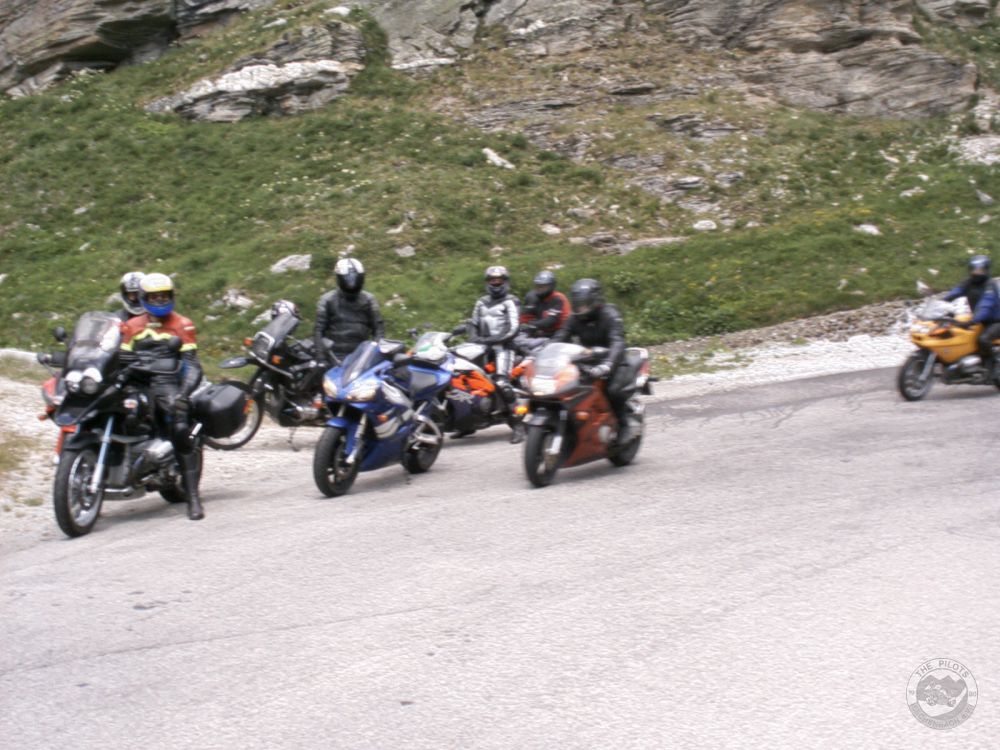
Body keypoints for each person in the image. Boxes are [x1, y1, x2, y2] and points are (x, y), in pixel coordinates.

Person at [120, 273, 205, 520]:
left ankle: (193, 498)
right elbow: (120, 358)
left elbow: (193, 365)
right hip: (136, 382)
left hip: (166, 382)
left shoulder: (182, 324)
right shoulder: (132, 326)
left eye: (164, 296)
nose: (159, 301)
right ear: (144, 298)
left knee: (179, 428)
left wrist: (183, 394)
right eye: (154, 297)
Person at [552, 278, 634, 442]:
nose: (580, 308)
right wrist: (543, 352)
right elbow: (559, 337)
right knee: (565, 387)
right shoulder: (574, 318)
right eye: (578, 304)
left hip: (614, 361)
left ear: (595, 301)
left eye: (584, 304)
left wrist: (608, 364)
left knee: (612, 390)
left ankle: (625, 425)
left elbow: (617, 342)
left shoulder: (610, 315)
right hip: (588, 360)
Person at [470, 265, 522, 442]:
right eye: (492, 281)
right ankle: (467, 424)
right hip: (483, 347)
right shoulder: (481, 302)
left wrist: (495, 340)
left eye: (499, 281)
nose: (495, 283)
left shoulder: (511, 301)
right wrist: (474, 338)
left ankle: (517, 423)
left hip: (504, 347)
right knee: (469, 379)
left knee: (501, 382)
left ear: (505, 282)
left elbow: (514, 327)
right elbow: (473, 324)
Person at [314, 258, 385, 365]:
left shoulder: (369, 300)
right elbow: (319, 331)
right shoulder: (327, 300)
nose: (352, 282)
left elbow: (379, 329)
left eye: (355, 278)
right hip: (334, 357)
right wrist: (321, 358)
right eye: (347, 279)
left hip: (361, 357)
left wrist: (373, 354)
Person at [944, 254, 1000, 372]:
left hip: (995, 321)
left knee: (983, 339)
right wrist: (942, 302)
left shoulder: (990, 285)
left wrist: (973, 320)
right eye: (974, 269)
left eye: (980, 270)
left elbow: (986, 305)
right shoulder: (968, 282)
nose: (977, 273)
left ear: (986, 270)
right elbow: (956, 291)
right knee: (958, 333)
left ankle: (995, 367)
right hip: (980, 320)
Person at [520, 270, 570, 338]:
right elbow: (524, 317)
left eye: (543, 286)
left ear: (551, 286)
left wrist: (532, 325)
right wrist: (522, 325)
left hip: (560, 332)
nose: (539, 289)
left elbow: (551, 320)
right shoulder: (533, 297)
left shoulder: (558, 298)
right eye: (538, 286)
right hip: (542, 332)